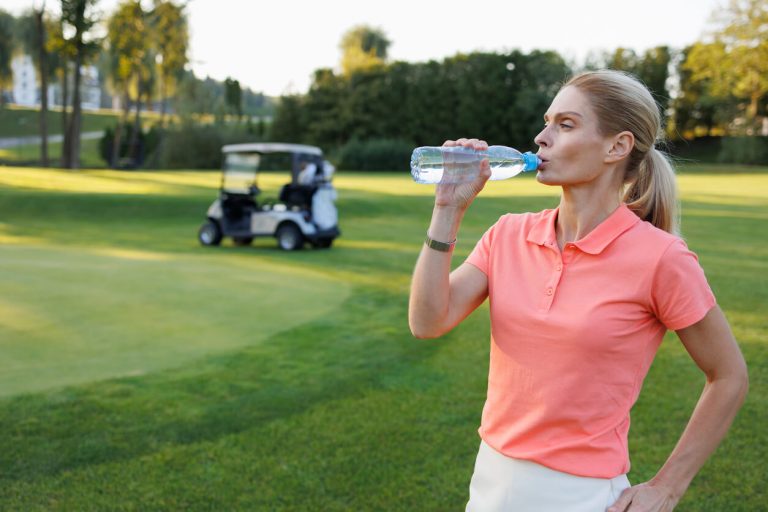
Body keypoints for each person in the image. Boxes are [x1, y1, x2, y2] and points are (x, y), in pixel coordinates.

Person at [408, 70, 748, 512]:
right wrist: (447, 210)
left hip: (581, 497)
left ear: (617, 146)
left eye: (565, 125)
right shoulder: (508, 234)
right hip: (490, 484)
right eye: (547, 121)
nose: (540, 137)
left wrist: (668, 486)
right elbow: (428, 321)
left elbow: (729, 376)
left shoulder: (662, 258)